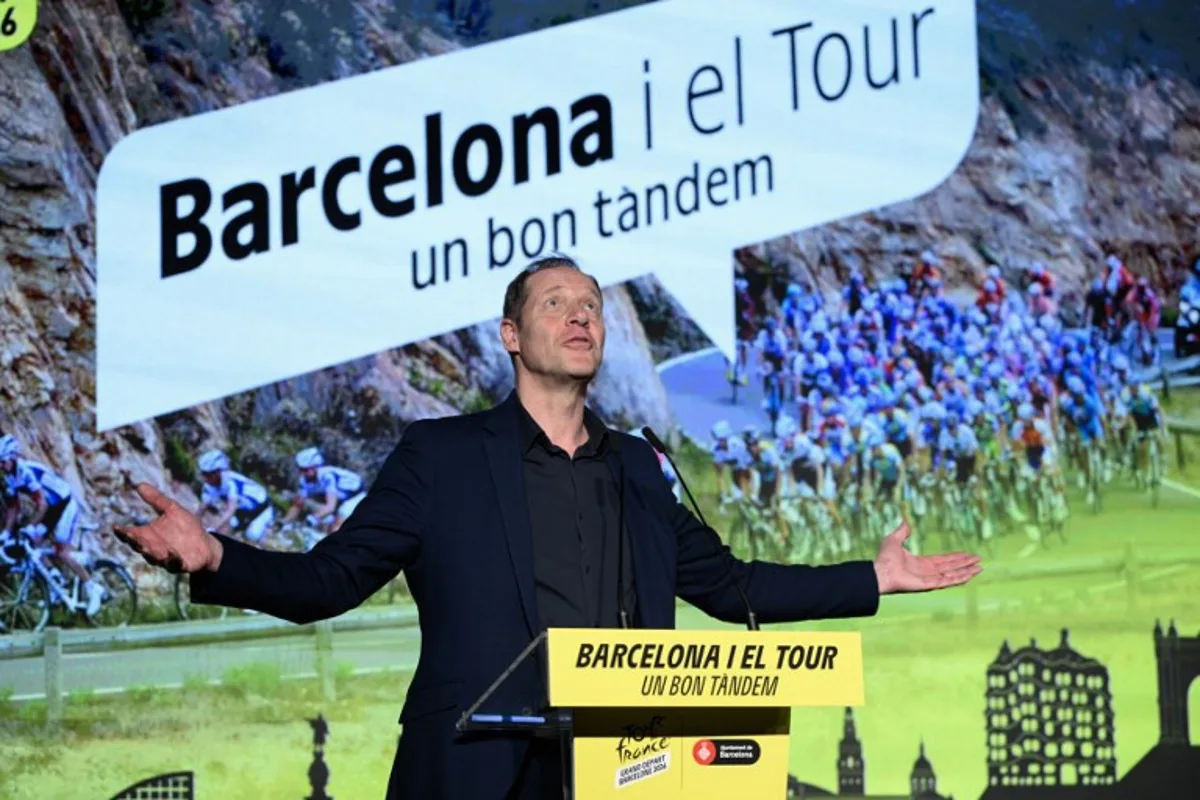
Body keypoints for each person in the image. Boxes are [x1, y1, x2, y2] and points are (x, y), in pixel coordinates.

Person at [112, 255, 982, 800]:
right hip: (475, 769)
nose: (581, 316)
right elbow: (326, 583)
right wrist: (214, 555)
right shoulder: (440, 456)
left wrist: (875, 578)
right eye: (557, 302)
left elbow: (733, 588)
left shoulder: (641, 465)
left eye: (593, 306)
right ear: (511, 336)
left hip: (624, 768)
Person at [0, 434, 105, 615]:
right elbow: (13, 507)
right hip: (50, 508)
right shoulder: (9, 476)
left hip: (64, 504)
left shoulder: (26, 472)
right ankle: (56, 580)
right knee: (32, 543)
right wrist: (6, 533)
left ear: (13, 457)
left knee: (61, 551)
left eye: (2, 462)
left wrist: (29, 526)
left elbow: (42, 505)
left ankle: (93, 588)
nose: (0, 466)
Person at [196, 449, 275, 544]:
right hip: (243, 509)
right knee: (224, 531)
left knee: (252, 536)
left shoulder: (230, 481)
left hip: (262, 508)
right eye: (203, 474)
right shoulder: (209, 484)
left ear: (217, 472)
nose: (205, 478)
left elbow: (230, 510)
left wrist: (212, 529)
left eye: (207, 474)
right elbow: (202, 508)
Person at [281, 447, 366, 533]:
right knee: (301, 502)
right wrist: (284, 522)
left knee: (337, 524)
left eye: (305, 470)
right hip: (341, 497)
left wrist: (314, 517)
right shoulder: (305, 480)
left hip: (356, 496)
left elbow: (330, 507)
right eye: (300, 469)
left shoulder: (327, 476)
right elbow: (298, 504)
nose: (302, 473)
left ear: (315, 467)